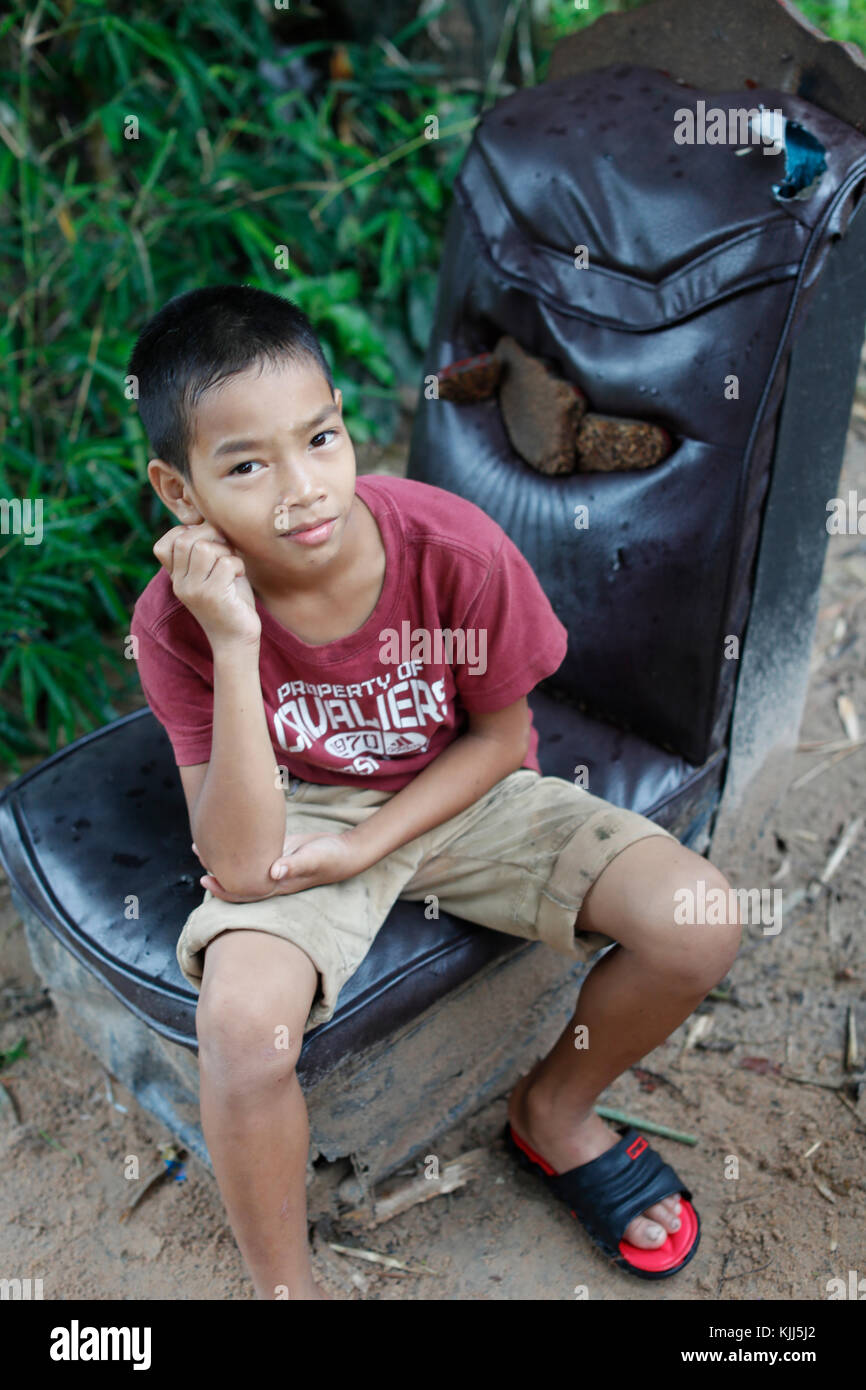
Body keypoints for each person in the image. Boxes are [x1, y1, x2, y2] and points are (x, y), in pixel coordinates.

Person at [128, 283, 741, 1299]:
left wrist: (376, 849)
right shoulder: (176, 622)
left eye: (318, 438)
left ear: (342, 420)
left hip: (458, 781)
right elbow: (236, 861)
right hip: (299, 805)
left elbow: (504, 740)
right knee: (240, 1033)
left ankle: (552, 1112)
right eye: (244, 464)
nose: (301, 489)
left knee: (696, 918)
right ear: (180, 491)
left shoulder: (449, 547)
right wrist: (235, 645)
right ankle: (287, 1288)